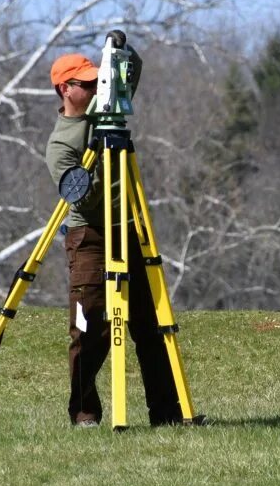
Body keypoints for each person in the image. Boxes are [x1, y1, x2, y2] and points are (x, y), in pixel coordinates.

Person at [45, 52, 183, 428]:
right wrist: (98, 154)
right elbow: (82, 197)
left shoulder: (107, 114)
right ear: (65, 89)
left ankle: (168, 413)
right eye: (86, 84)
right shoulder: (62, 144)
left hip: (128, 229)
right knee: (88, 329)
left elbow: (132, 71)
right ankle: (85, 413)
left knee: (151, 327)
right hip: (89, 235)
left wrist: (118, 50)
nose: (94, 90)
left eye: (97, 82)